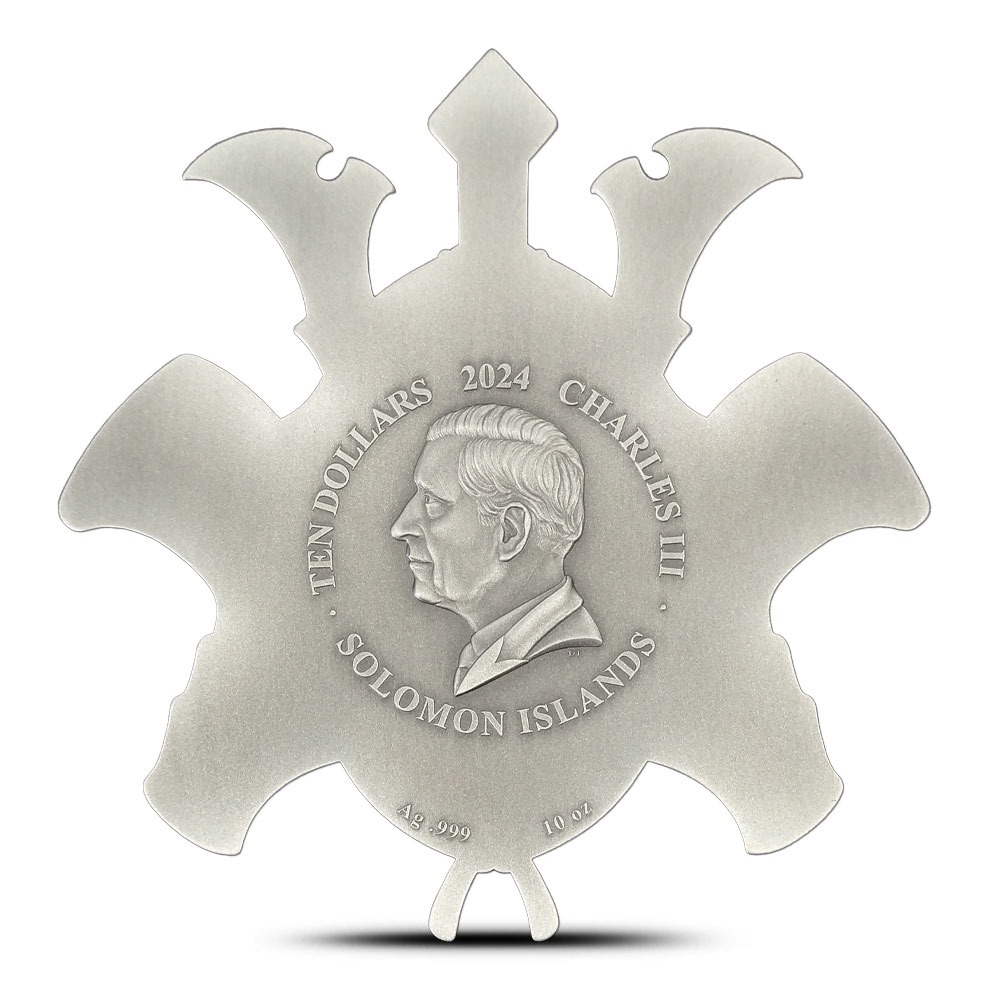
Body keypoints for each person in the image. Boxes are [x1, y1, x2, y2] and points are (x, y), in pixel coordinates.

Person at [391, 403, 601, 696]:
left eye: (433, 502)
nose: (400, 528)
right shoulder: (486, 649)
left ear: (510, 532)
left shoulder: (559, 652)